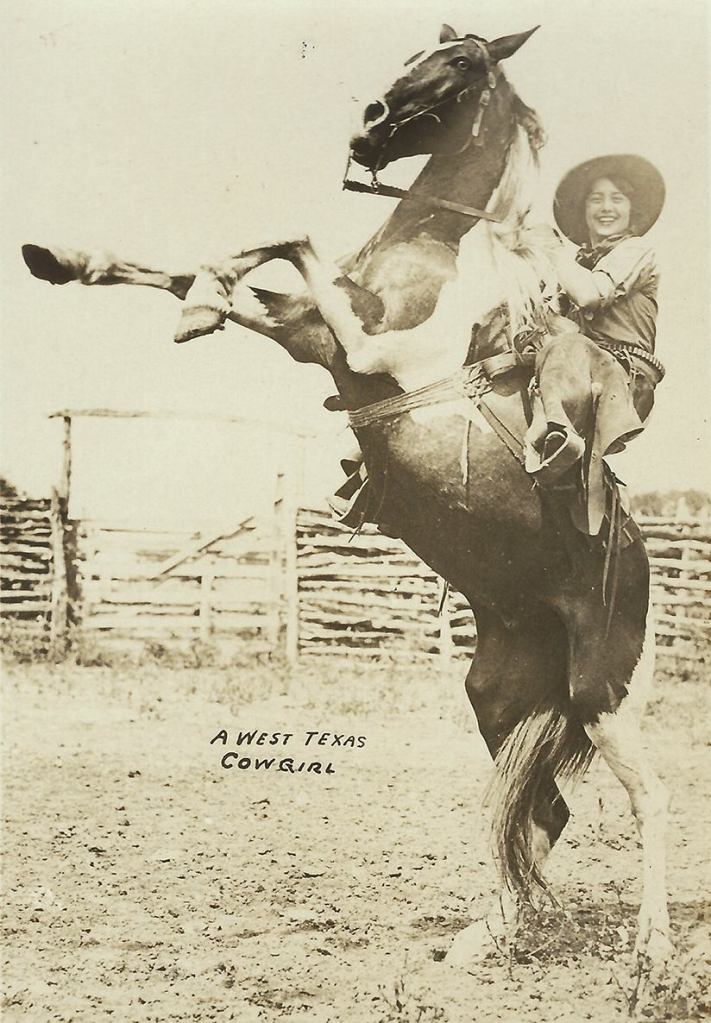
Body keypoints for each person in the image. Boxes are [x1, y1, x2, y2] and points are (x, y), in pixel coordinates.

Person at [524, 154, 666, 490]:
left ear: (632, 210)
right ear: (584, 209)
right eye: (596, 198)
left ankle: (555, 432)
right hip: (576, 371)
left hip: (625, 376)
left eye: (617, 198)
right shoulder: (575, 263)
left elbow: (589, 295)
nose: (606, 207)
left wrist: (554, 250)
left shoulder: (637, 250)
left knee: (565, 343)